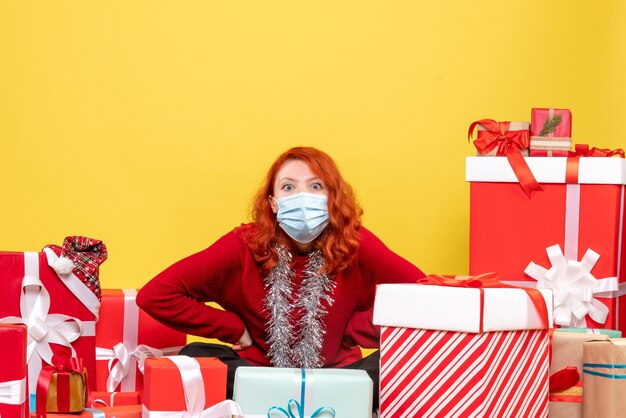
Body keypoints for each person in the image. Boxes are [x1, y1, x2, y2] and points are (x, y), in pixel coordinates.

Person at [136, 146, 425, 409]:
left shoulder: (356, 243)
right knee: (194, 356)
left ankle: (295, 400)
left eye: (315, 187)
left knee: (404, 365)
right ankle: (307, 400)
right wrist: (232, 328)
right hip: (256, 374)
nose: (303, 198)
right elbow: (156, 294)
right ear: (273, 203)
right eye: (289, 187)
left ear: (332, 198)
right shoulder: (244, 244)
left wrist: (354, 330)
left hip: (339, 376)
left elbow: (425, 294)